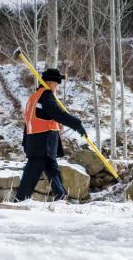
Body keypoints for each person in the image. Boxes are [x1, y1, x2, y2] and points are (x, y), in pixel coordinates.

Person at [14, 68, 89, 203]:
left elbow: (33, 120)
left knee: (52, 170)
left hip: (37, 141)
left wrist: (26, 143)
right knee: (32, 173)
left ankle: (61, 198)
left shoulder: (35, 97)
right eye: (56, 83)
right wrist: (77, 125)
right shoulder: (46, 96)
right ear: (49, 82)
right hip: (43, 141)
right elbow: (59, 114)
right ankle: (19, 200)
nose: (57, 86)